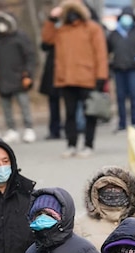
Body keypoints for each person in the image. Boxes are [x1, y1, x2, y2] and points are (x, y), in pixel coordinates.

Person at [41, 1, 108, 158]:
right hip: (66, 78)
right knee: (69, 114)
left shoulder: (92, 28)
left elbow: (101, 53)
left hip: (88, 78)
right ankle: (71, 144)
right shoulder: (61, 30)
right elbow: (46, 40)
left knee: (90, 113)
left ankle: (88, 144)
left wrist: (101, 77)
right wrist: (51, 18)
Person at [0, 11, 37, 144]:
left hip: (19, 77)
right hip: (3, 79)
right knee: (6, 107)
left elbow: (30, 57)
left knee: (24, 105)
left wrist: (28, 75)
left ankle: (29, 128)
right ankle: (11, 130)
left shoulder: (20, 37)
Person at [107, 8, 135, 131]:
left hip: (134, 68)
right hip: (119, 68)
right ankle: (122, 122)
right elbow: (107, 49)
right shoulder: (114, 34)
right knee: (120, 96)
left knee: (133, 94)